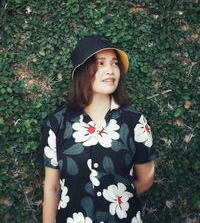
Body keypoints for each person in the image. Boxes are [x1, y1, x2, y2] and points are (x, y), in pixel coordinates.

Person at [37, 35, 155, 223]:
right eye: (101, 63)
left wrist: (117, 198)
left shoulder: (135, 121)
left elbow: (146, 178)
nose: (110, 70)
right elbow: (52, 188)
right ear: (82, 71)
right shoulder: (58, 123)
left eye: (115, 63)